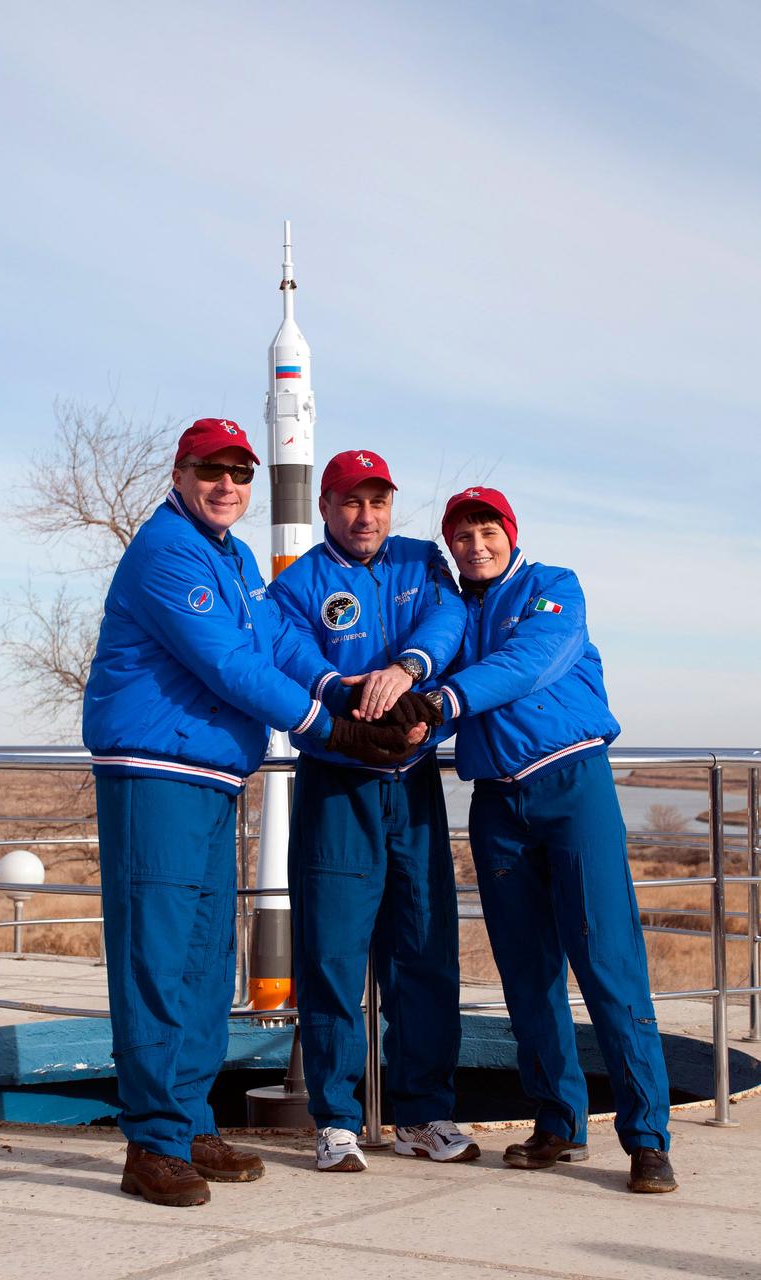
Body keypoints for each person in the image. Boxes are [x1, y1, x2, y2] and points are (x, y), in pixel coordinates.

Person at [82, 420, 416, 1207]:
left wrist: (345, 691)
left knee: (204, 960)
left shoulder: (231, 559)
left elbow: (276, 646)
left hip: (212, 775)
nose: (228, 484)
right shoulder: (169, 550)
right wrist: (324, 727)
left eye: (240, 472)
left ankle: (189, 1119)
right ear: (182, 471)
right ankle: (151, 1142)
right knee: (159, 956)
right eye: (213, 470)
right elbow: (227, 663)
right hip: (155, 771)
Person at [432, 485, 676, 1194]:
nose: (476, 545)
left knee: (607, 960)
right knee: (527, 970)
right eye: (463, 535)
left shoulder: (551, 589)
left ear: (510, 533)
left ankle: (647, 1138)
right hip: (497, 804)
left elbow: (529, 662)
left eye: (487, 530)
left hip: (572, 789)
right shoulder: (450, 614)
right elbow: (432, 693)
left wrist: (443, 698)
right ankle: (559, 1120)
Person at [269, 449, 480, 1172]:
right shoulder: (298, 582)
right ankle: (335, 1119)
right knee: (331, 954)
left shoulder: (422, 562)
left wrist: (408, 672)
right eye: (352, 502)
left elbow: (449, 619)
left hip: (414, 782)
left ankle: (424, 1113)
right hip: (337, 785)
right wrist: (343, 693)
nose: (367, 516)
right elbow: (288, 652)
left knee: (422, 948)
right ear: (326, 507)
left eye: (379, 502)